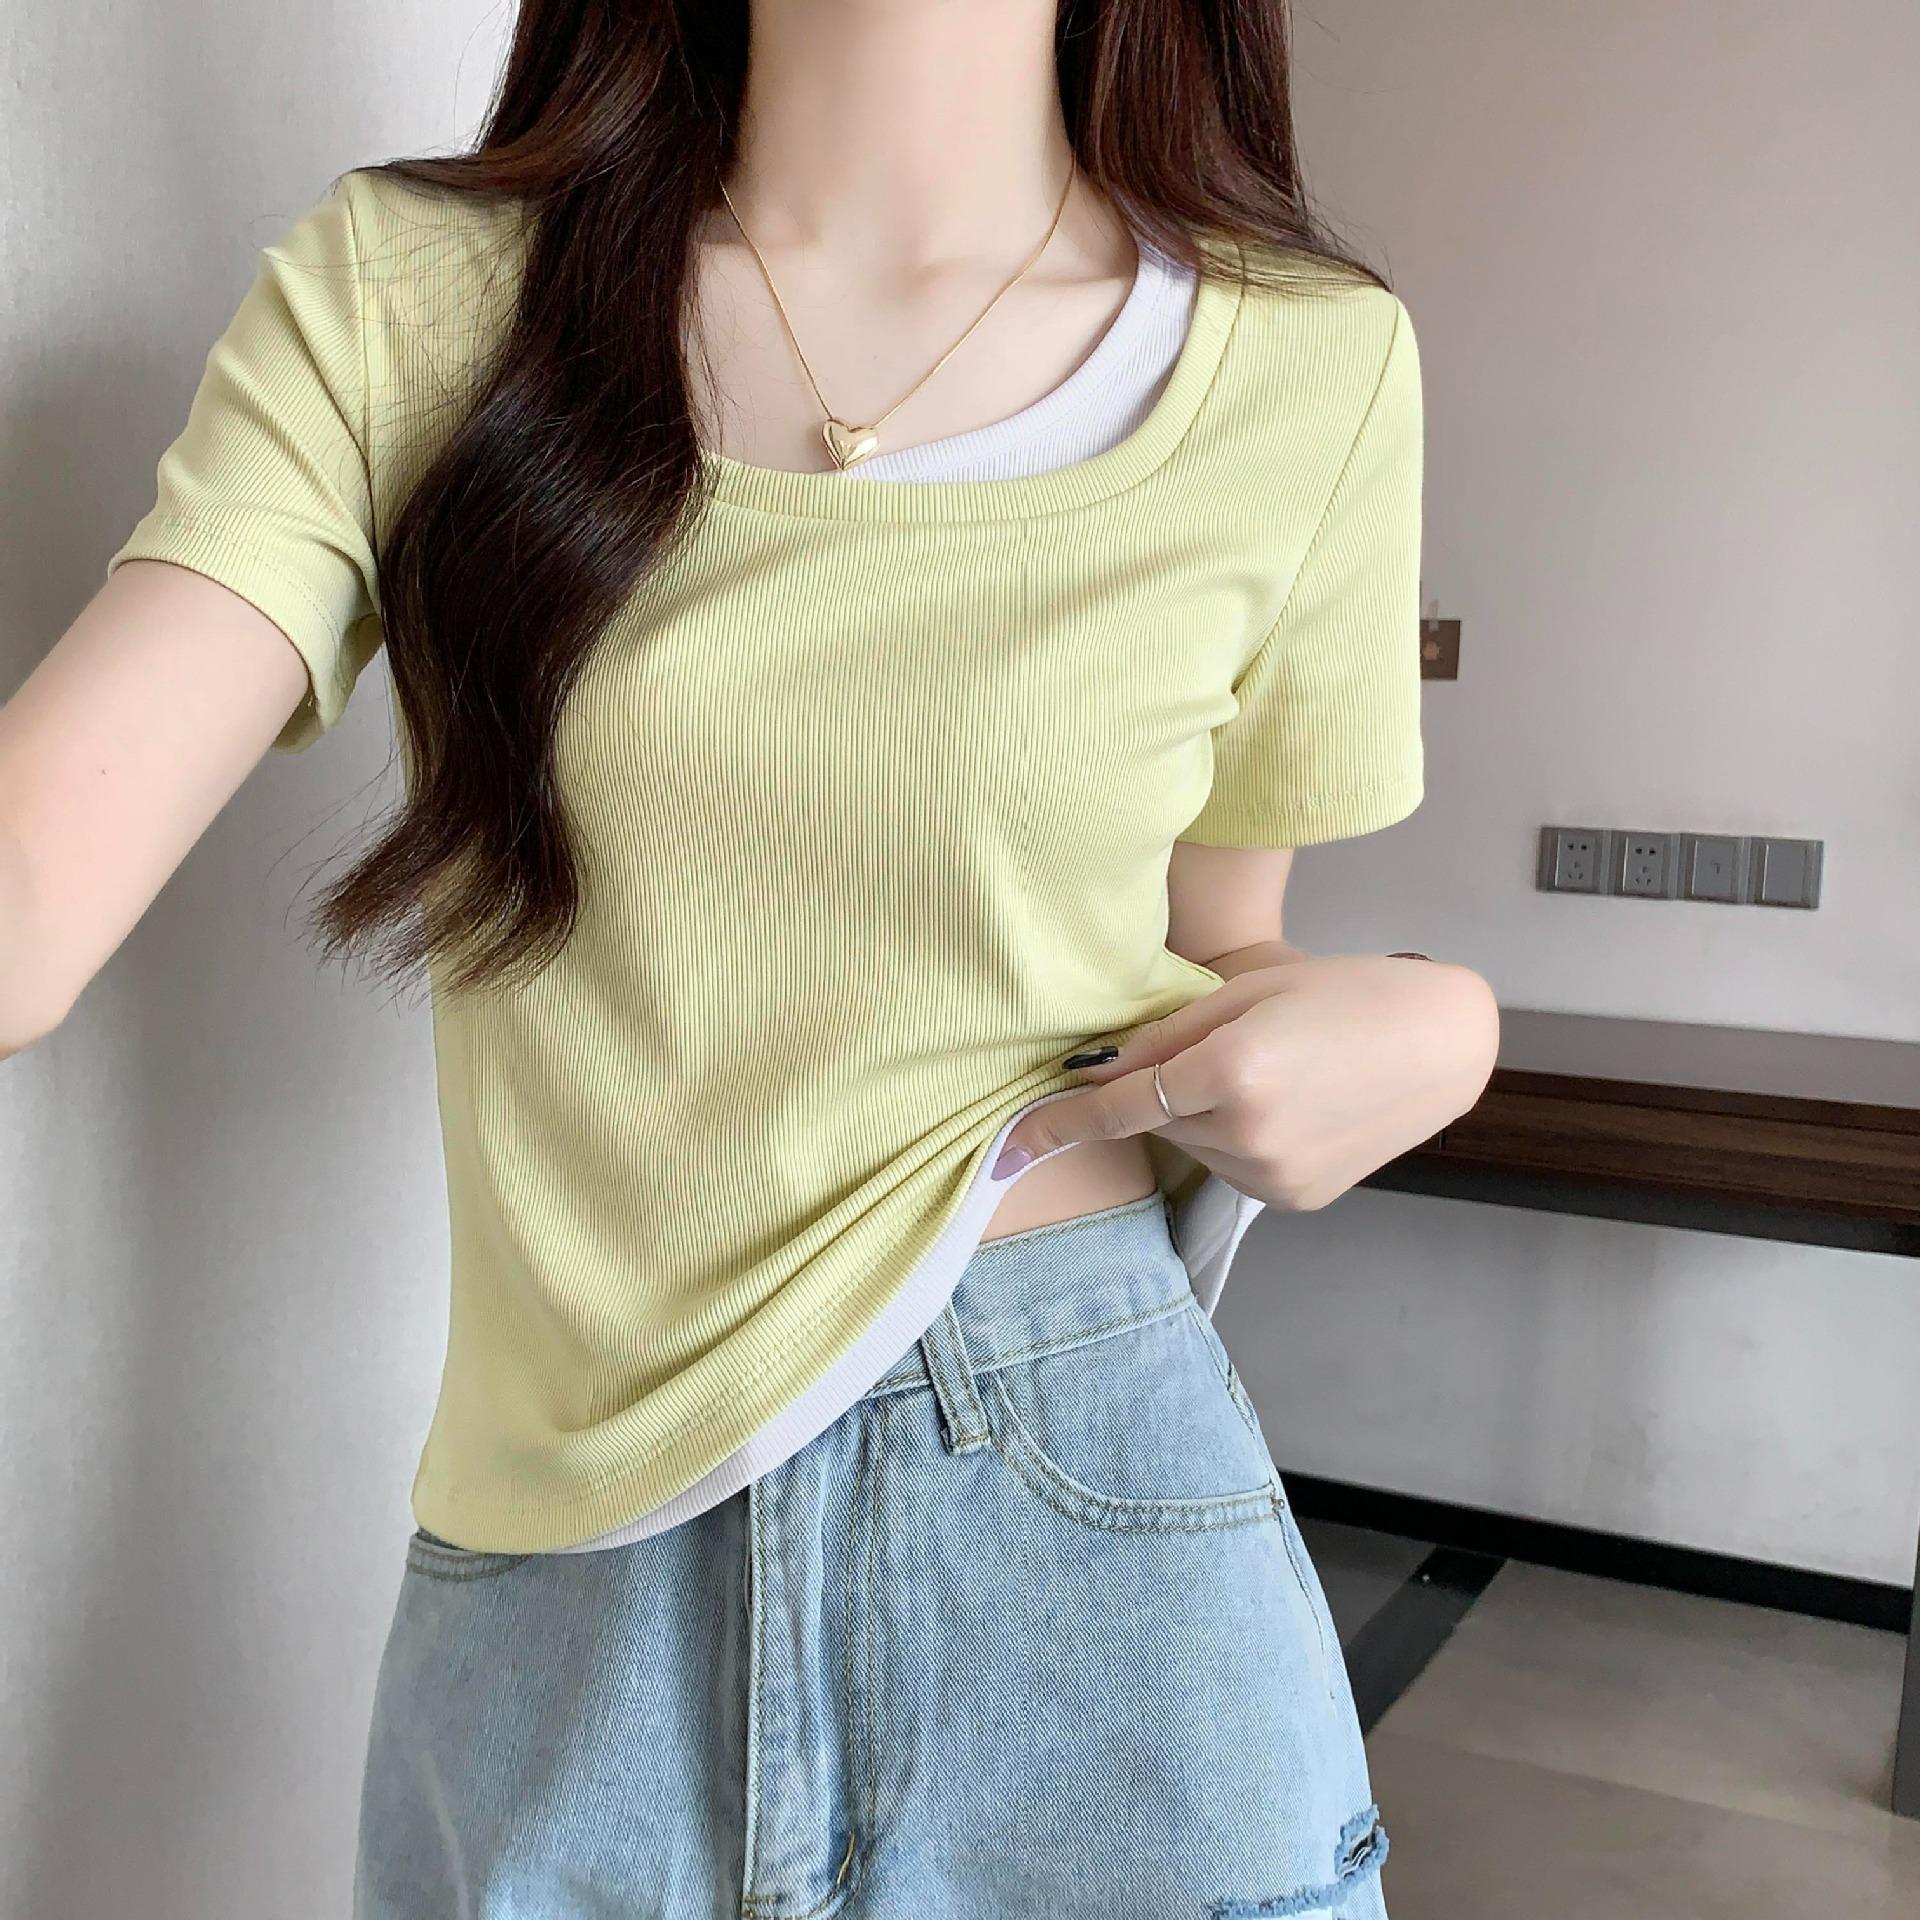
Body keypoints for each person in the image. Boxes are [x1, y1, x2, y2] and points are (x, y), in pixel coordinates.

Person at [0, 2, 1500, 1913]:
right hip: (571, 1579)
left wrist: (1449, 1027)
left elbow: (1230, 956)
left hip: (1084, 1523)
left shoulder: (1311, 366)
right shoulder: (415, 294)